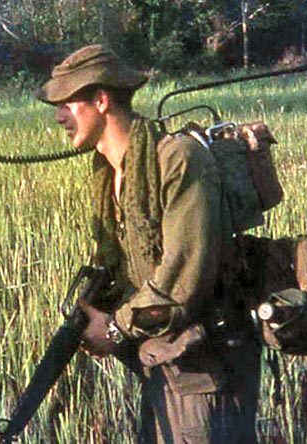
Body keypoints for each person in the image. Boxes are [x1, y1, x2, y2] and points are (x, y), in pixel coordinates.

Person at [36, 44, 261, 443]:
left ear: (101, 100)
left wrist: (116, 329)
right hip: (162, 361)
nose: (59, 118)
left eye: (66, 104)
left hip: (209, 370)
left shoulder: (177, 159)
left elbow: (181, 281)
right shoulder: (109, 173)